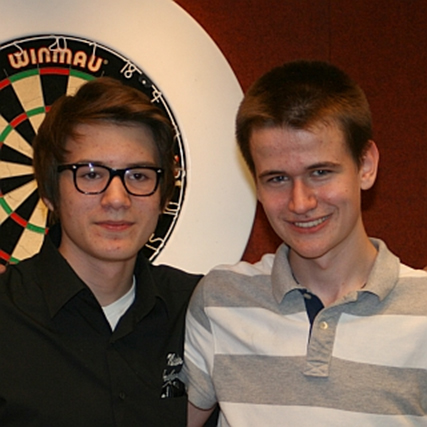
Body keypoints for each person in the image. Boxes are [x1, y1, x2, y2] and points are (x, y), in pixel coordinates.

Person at [183, 60, 427, 426]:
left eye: (320, 172)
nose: (300, 203)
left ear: (365, 165)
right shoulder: (220, 299)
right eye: (277, 179)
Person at [0, 77, 215, 426]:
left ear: (164, 196)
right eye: (90, 174)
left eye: (139, 176)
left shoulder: (202, 310)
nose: (117, 199)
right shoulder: (7, 313)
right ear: (49, 193)